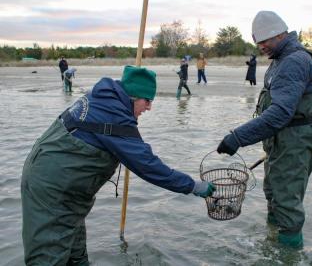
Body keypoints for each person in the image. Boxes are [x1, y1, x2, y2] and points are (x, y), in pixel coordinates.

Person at [21, 65, 215, 265]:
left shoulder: (104, 99)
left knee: (76, 257)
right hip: (51, 191)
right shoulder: (113, 115)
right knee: (48, 260)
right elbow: (148, 166)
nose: (149, 107)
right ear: (132, 98)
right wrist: (192, 185)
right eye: (147, 101)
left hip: (67, 192)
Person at [216, 11, 312, 248]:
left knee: (286, 201)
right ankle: (271, 246)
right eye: (258, 41)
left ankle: (288, 256)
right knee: (273, 192)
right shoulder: (279, 59)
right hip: (281, 140)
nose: (261, 46)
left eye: (265, 40)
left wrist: (237, 138)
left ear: (280, 34)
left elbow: (280, 113)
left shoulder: (294, 61)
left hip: (295, 140)